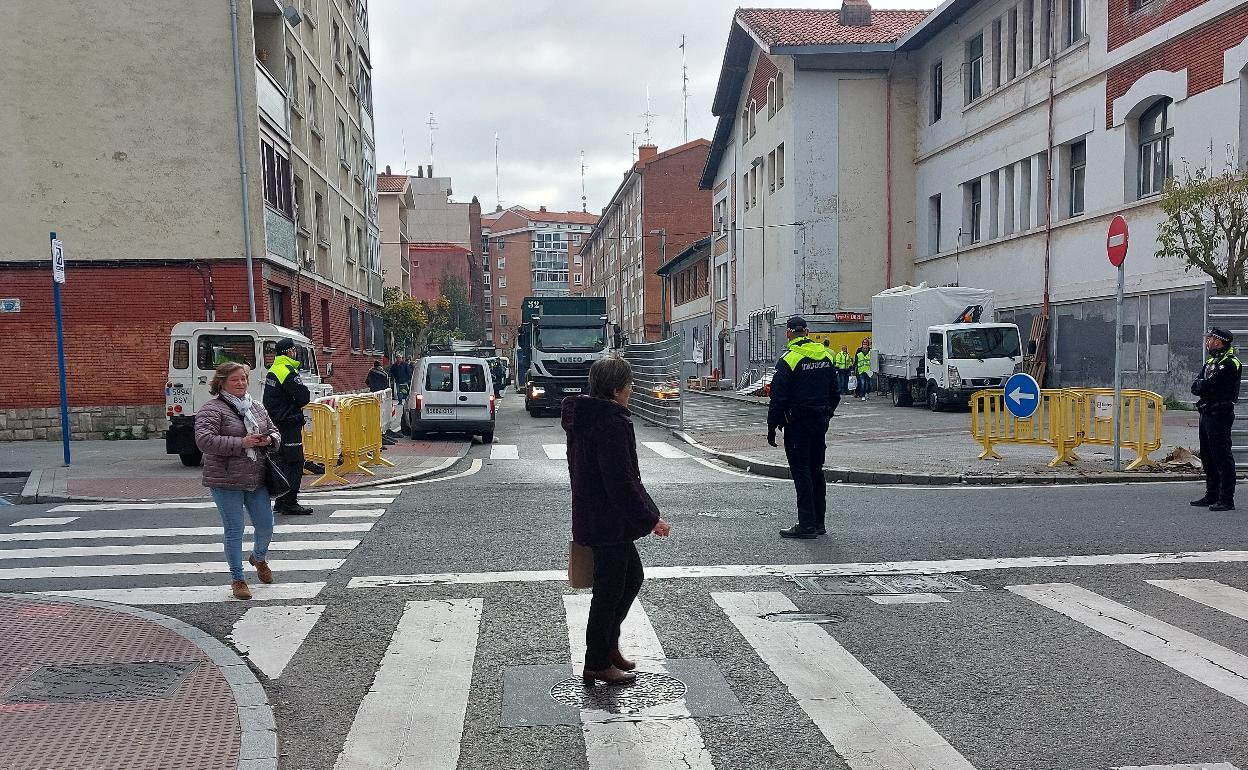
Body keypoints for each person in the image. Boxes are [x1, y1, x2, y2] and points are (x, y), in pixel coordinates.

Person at [562, 357, 671, 686]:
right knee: (608, 593)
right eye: (628, 383)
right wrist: (651, 520)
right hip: (608, 520)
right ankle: (597, 662)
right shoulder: (609, 423)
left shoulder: (588, 416)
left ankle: (608, 647)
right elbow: (621, 482)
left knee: (631, 578)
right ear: (615, 389)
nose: (631, 388)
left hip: (597, 515)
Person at [195, 362, 282, 600]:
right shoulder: (212, 409)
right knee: (234, 529)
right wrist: (241, 443)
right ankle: (238, 579)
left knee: (266, 526)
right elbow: (204, 440)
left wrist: (269, 440)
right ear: (221, 382)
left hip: (256, 477)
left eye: (243, 378)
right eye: (235, 379)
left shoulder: (256, 406)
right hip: (225, 479)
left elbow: (275, 431)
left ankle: (258, 558)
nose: (241, 383)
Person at [768, 316, 840, 539]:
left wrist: (772, 427)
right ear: (807, 332)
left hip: (797, 424)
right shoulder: (826, 355)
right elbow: (835, 393)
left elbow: (778, 398)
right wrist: (826, 414)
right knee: (816, 470)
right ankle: (819, 522)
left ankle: (806, 524)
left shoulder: (788, 359)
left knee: (801, 473)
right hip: (819, 422)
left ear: (789, 333)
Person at [1192, 327, 1242, 511]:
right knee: (1207, 456)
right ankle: (1212, 493)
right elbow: (1196, 387)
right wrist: (1203, 385)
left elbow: (1210, 385)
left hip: (1220, 414)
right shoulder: (1210, 362)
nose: (1208, 342)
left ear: (1219, 341)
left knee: (1222, 456)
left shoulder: (1230, 363)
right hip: (1206, 413)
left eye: (1210, 339)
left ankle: (1226, 498)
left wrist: (1203, 386)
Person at [263, 338, 313, 515]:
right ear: (290, 351)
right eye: (294, 350)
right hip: (288, 422)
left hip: (276, 421)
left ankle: (281, 500)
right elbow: (303, 396)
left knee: (283, 462)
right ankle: (290, 502)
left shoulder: (274, 369)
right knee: (295, 462)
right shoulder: (286, 370)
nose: (295, 353)